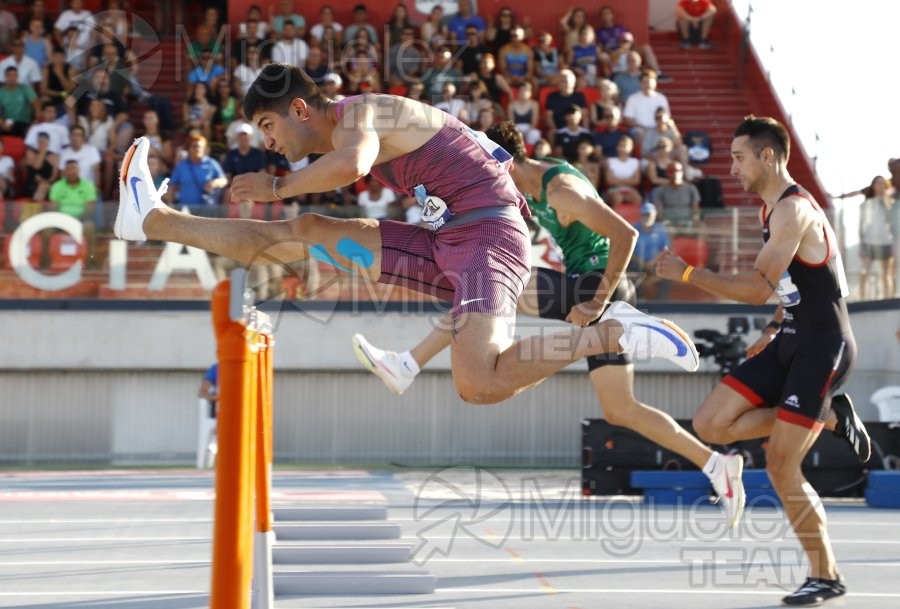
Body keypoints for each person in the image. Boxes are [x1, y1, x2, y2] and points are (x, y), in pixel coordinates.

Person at [115, 64, 700, 409]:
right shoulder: (341, 127)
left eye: (267, 126)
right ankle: (152, 220)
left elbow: (351, 166)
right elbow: (341, 170)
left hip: (491, 237)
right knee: (305, 234)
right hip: (445, 240)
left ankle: (614, 333)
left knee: (478, 383)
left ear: (299, 109)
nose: (265, 139)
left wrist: (273, 186)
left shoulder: (361, 114)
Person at [352, 122, 745, 526]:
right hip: (592, 288)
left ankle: (408, 364)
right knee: (621, 409)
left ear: (501, 161)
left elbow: (625, 234)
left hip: (597, 286)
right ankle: (716, 465)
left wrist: (596, 302)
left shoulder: (561, 191)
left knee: (486, 282)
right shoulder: (538, 176)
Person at [655, 115, 872, 607]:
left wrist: (687, 272)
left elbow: (756, 288)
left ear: (767, 156)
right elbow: (790, 287)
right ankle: (833, 415)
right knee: (712, 422)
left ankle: (826, 575)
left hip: (823, 346)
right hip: (791, 337)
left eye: (738, 156)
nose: (731, 167)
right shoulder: (769, 210)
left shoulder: (794, 211)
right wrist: (774, 328)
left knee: (780, 464)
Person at [858, 175, 896, 299]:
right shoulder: (866, 203)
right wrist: (862, 242)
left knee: (886, 274)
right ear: (873, 185)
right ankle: (862, 299)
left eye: (882, 183)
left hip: (886, 241)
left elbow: (892, 221)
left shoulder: (890, 202)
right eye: (877, 183)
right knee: (864, 272)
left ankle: (888, 299)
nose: (880, 185)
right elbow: (862, 224)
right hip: (869, 242)